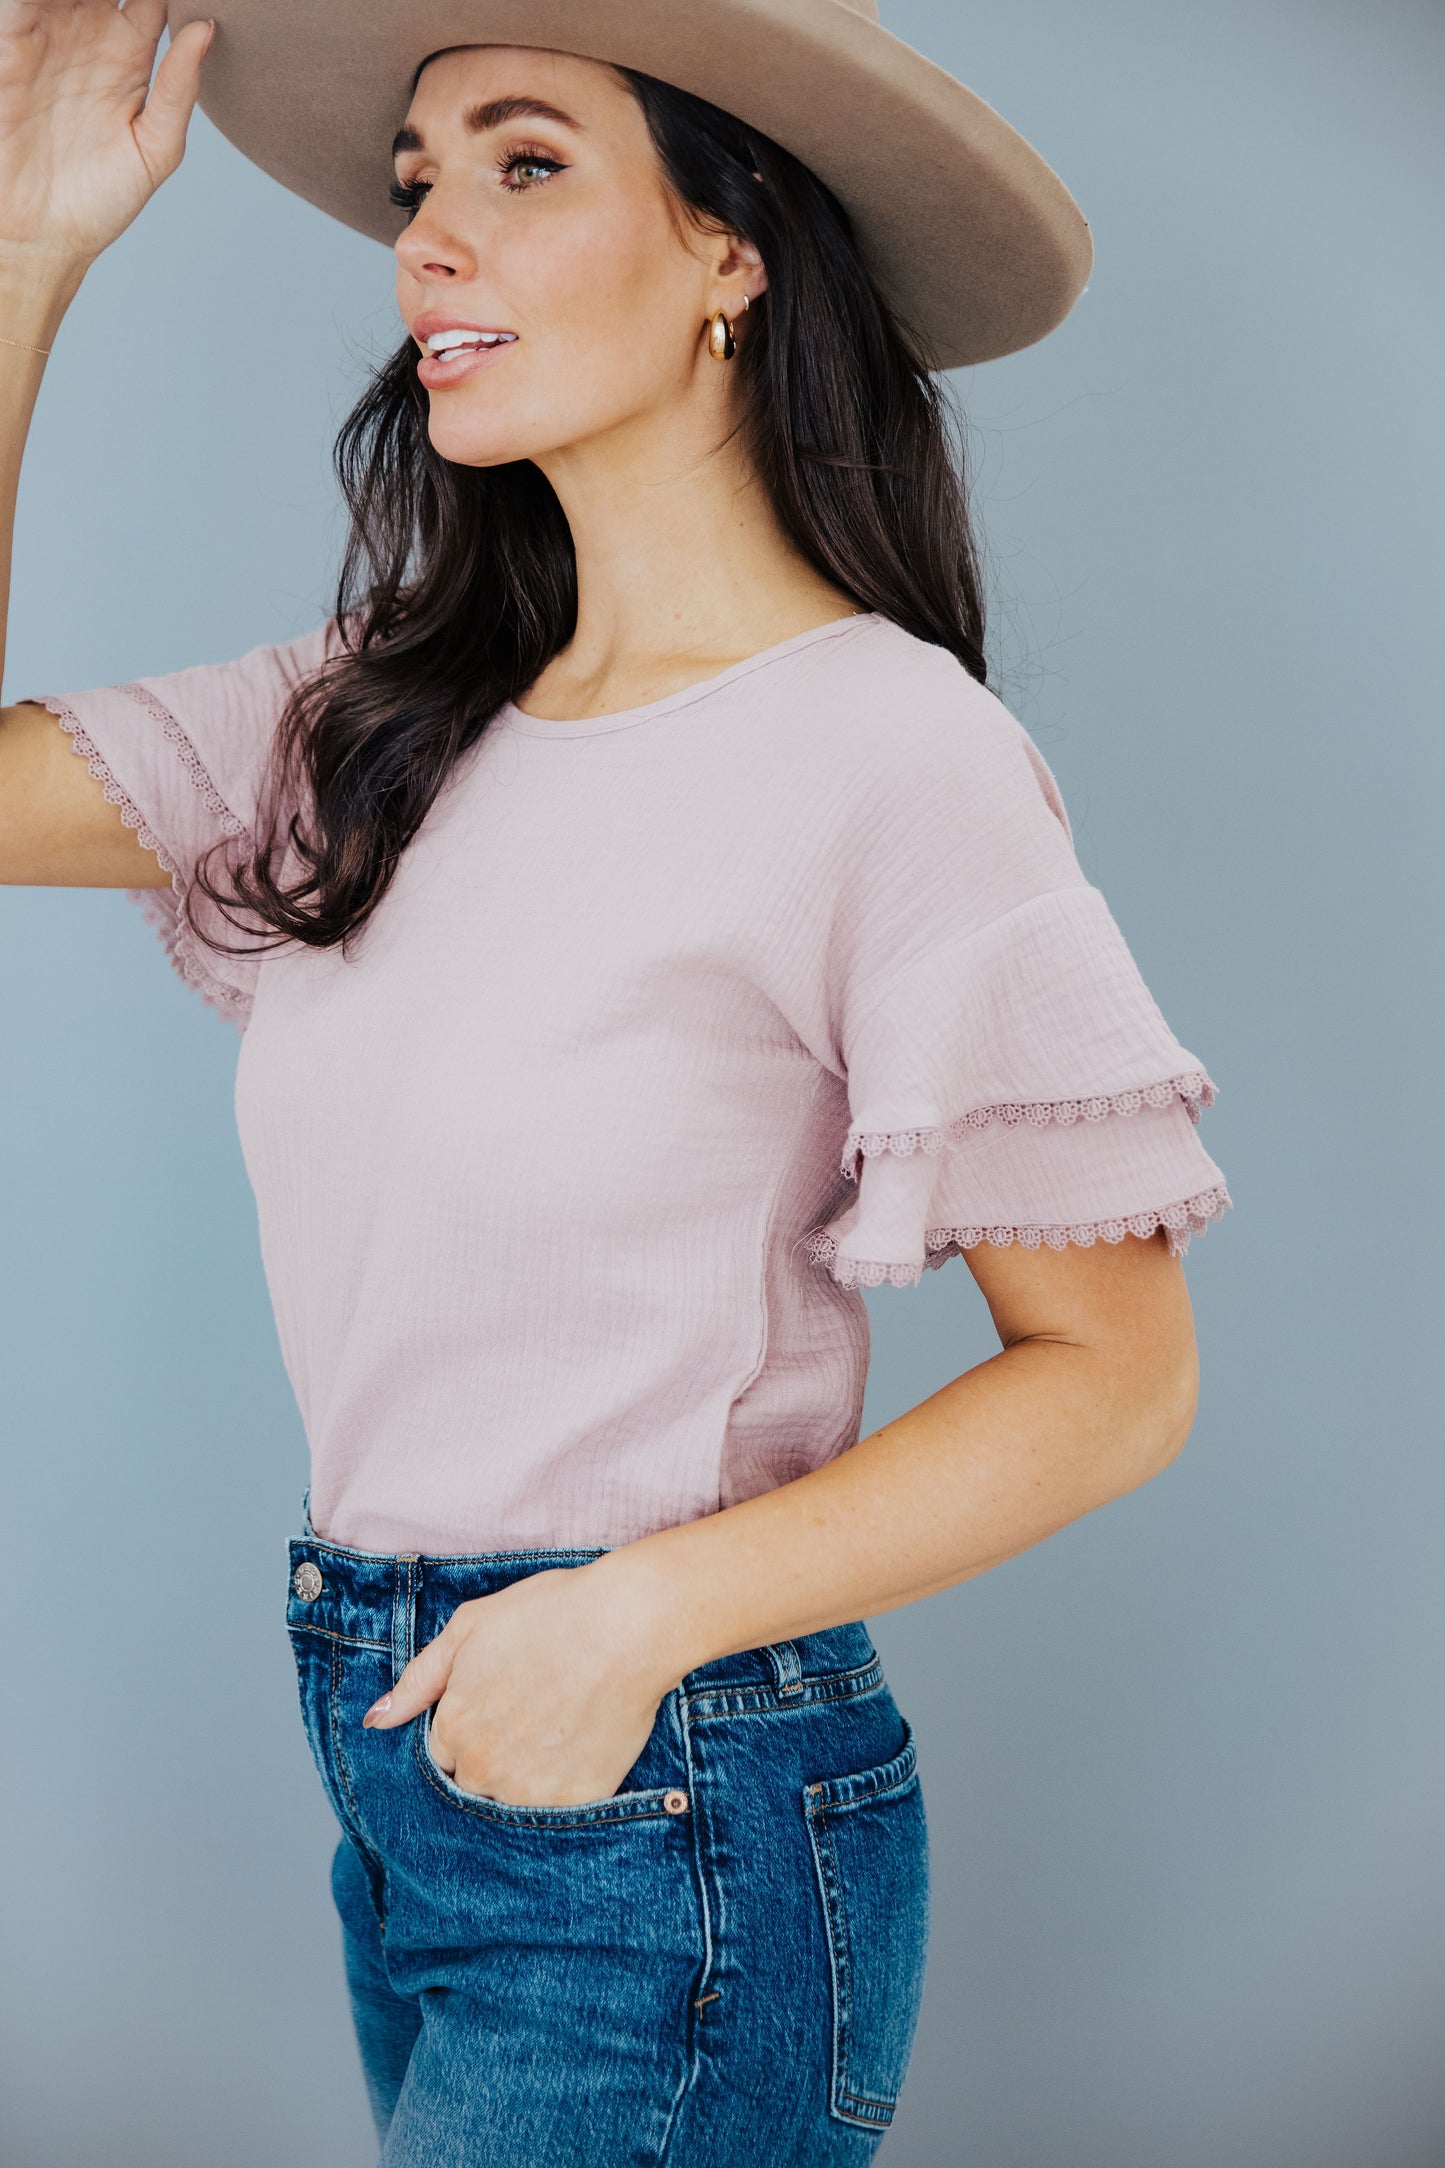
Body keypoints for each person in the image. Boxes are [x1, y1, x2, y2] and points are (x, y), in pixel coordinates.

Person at [0, 3, 1232, 2160]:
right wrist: (26, 248)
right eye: (414, 185)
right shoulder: (373, 726)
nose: (428, 243)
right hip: (409, 1760)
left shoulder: (887, 751)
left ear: (733, 248)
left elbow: (1115, 1371)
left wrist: (629, 1620)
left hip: (667, 1787)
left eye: (524, 164)